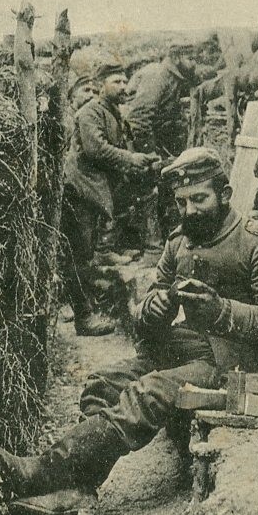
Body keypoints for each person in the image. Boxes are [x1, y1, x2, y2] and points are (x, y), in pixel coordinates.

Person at [0, 146, 258, 515]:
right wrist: (154, 310)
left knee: (149, 391)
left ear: (225, 193)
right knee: (102, 384)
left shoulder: (257, 243)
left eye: (199, 199)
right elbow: (150, 305)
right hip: (189, 351)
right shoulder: (178, 243)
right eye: (182, 202)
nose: (190, 211)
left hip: (238, 366)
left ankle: (43, 472)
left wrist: (221, 311)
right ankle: (78, 493)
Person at [60, 59, 158, 335]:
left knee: (86, 252)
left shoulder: (113, 112)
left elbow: (121, 146)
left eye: (125, 81)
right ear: (101, 86)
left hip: (96, 189)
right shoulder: (91, 112)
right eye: (116, 81)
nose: (123, 86)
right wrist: (130, 159)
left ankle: (86, 311)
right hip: (81, 191)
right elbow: (96, 150)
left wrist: (142, 159)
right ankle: (84, 318)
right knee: (79, 254)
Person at [124, 43, 200, 238]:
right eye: (190, 59)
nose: (194, 64)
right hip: (138, 149)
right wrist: (150, 154)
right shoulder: (158, 75)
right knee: (148, 195)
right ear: (176, 57)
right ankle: (151, 247)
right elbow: (139, 119)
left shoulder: (172, 77)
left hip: (158, 147)